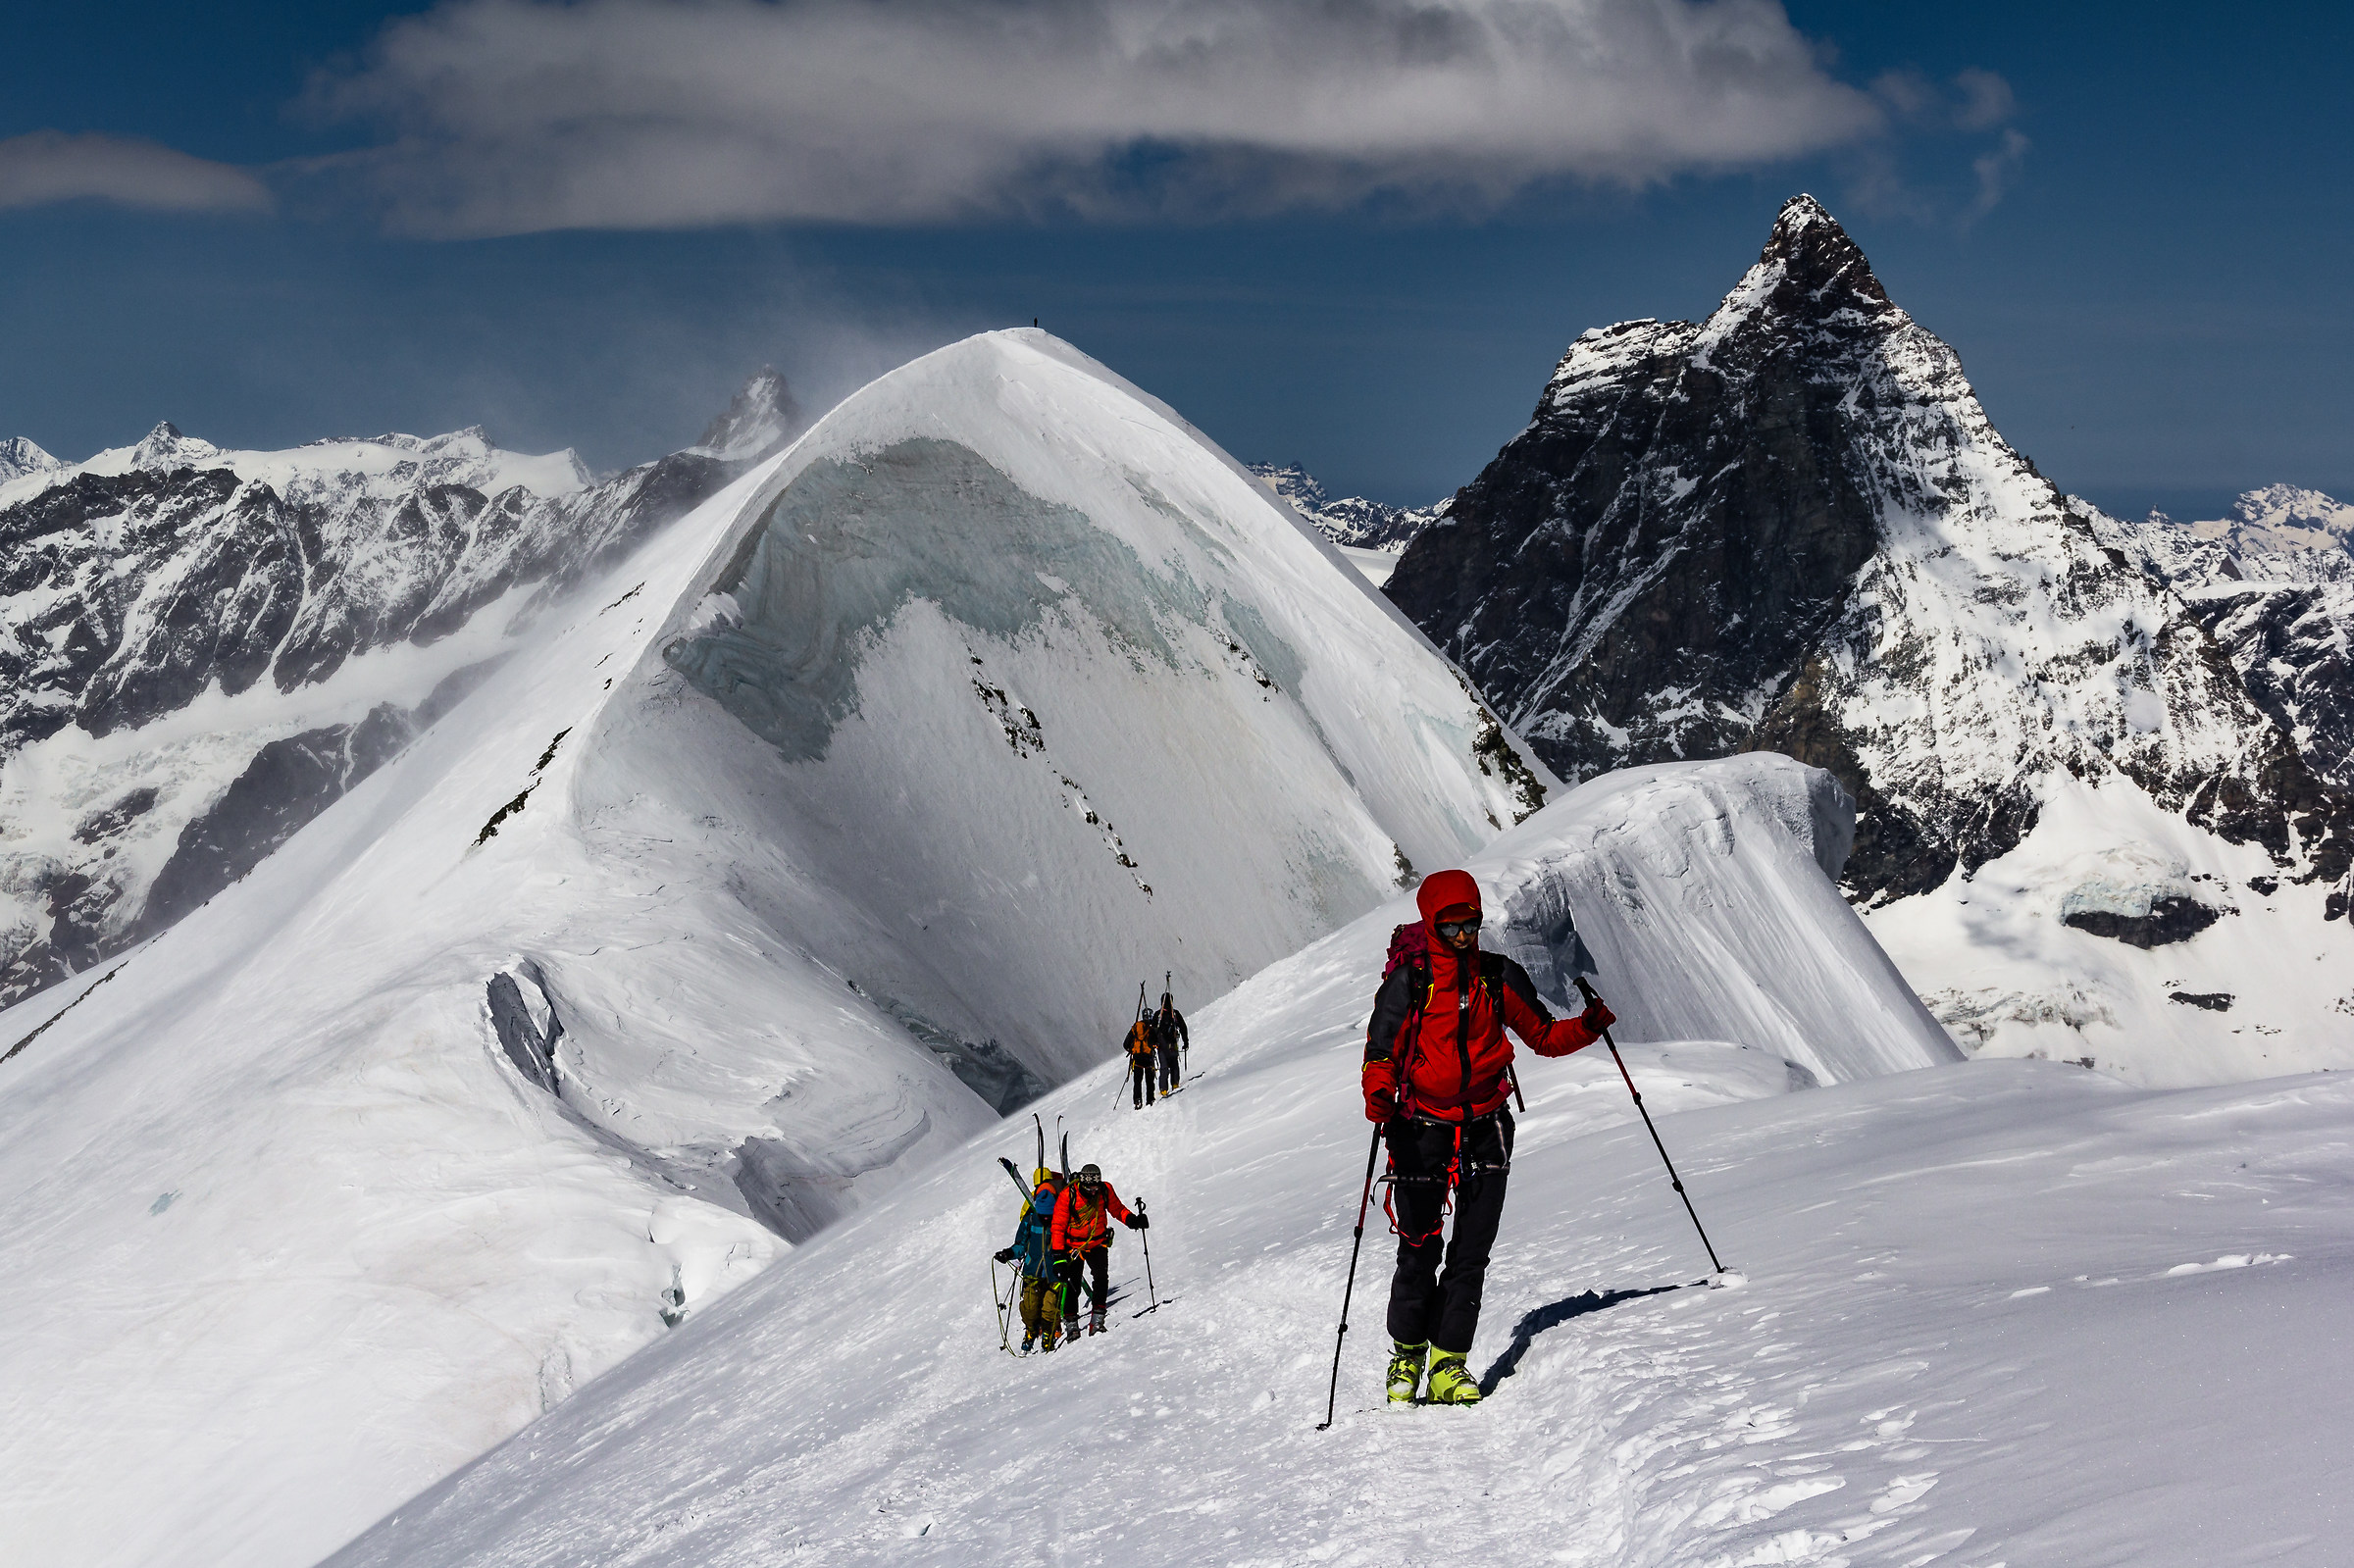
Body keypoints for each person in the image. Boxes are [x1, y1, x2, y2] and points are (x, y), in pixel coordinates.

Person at [1360, 868, 1614, 1405]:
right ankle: (1406, 1357)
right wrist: (1379, 1092)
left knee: (1471, 1252)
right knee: (1418, 1247)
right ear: (1431, 923)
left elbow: (1542, 1036)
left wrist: (1587, 1027)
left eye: (1470, 925)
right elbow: (1380, 1050)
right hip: (1420, 1127)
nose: (1463, 937)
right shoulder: (1409, 982)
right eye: (1451, 927)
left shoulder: (1496, 977)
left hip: (1486, 1126)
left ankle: (1449, 1362)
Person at [1050, 1161, 1147, 1335]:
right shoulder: (1068, 1195)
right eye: (1090, 1189)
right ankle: (1071, 1324)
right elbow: (1058, 1226)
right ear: (1082, 1184)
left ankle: (1098, 1320)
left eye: (1096, 1188)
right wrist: (1058, 1256)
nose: (1093, 1192)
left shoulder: (1105, 1190)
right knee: (1073, 1285)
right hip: (1073, 1246)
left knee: (1101, 1280)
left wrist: (1132, 1221)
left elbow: (1117, 1209)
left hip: (1098, 1242)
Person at [995, 1166, 1066, 1352]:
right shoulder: (1030, 1218)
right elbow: (1021, 1243)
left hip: (1054, 1271)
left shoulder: (1060, 1216)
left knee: (1050, 1306)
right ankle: (1032, 1330)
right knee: (1029, 1307)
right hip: (1033, 1270)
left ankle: (1049, 1331)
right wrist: (1008, 1254)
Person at [1151, 990, 1188, 1095]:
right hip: (1172, 1043)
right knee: (1174, 1064)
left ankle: (1163, 1089)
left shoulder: (1158, 1015)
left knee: (1164, 1067)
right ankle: (1175, 1083)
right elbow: (1183, 1028)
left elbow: (1152, 1031)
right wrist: (1186, 1042)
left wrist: (1152, 1045)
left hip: (1161, 1046)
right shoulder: (1175, 1014)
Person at [1124, 1014, 1158, 1108]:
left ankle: (1137, 1101)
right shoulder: (1151, 1029)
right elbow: (1156, 1042)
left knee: (1137, 1082)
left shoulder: (1135, 1029)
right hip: (1148, 1058)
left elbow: (1125, 1044)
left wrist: (1132, 1050)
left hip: (1137, 1058)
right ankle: (1150, 1100)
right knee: (1149, 1081)